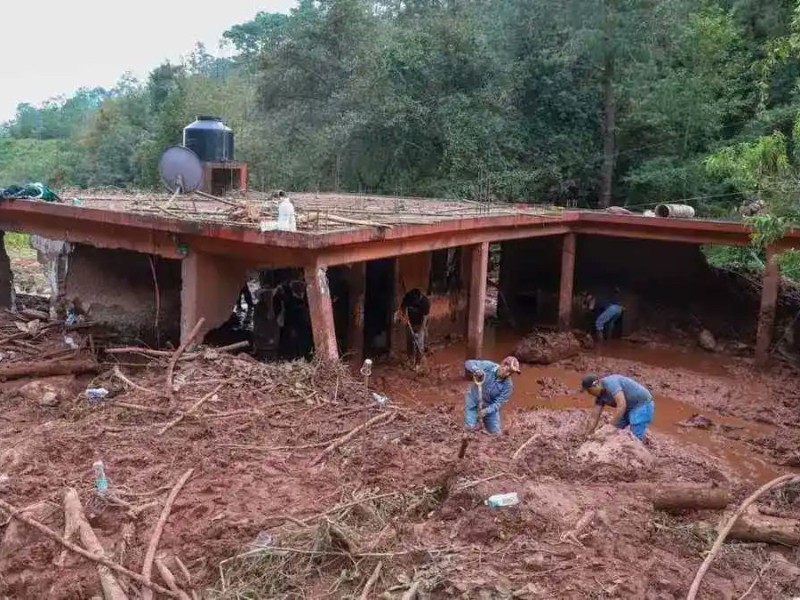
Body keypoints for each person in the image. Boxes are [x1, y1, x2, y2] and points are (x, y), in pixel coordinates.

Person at [581, 373, 655, 441]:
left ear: (596, 385)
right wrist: (589, 433)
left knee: (635, 437)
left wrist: (610, 426)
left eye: (589, 391)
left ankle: (639, 450)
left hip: (641, 404)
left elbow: (622, 405)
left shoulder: (611, 383)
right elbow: (594, 416)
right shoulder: (599, 396)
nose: (589, 394)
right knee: (612, 431)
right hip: (627, 407)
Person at [464, 357, 521, 434]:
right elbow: (468, 363)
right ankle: (471, 428)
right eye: (507, 371)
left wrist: (486, 411)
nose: (508, 374)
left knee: (497, 435)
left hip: (489, 407)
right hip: (473, 399)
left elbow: (498, 404)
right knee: (469, 428)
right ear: (502, 365)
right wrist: (476, 370)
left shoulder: (508, 386)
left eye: (511, 373)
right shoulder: (489, 366)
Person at [398, 288, 431, 369]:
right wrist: (404, 317)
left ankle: (418, 363)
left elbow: (425, 317)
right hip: (409, 322)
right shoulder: (408, 297)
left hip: (420, 323)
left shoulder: (425, 302)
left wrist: (422, 328)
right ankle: (410, 359)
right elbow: (402, 308)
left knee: (419, 344)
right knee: (409, 341)